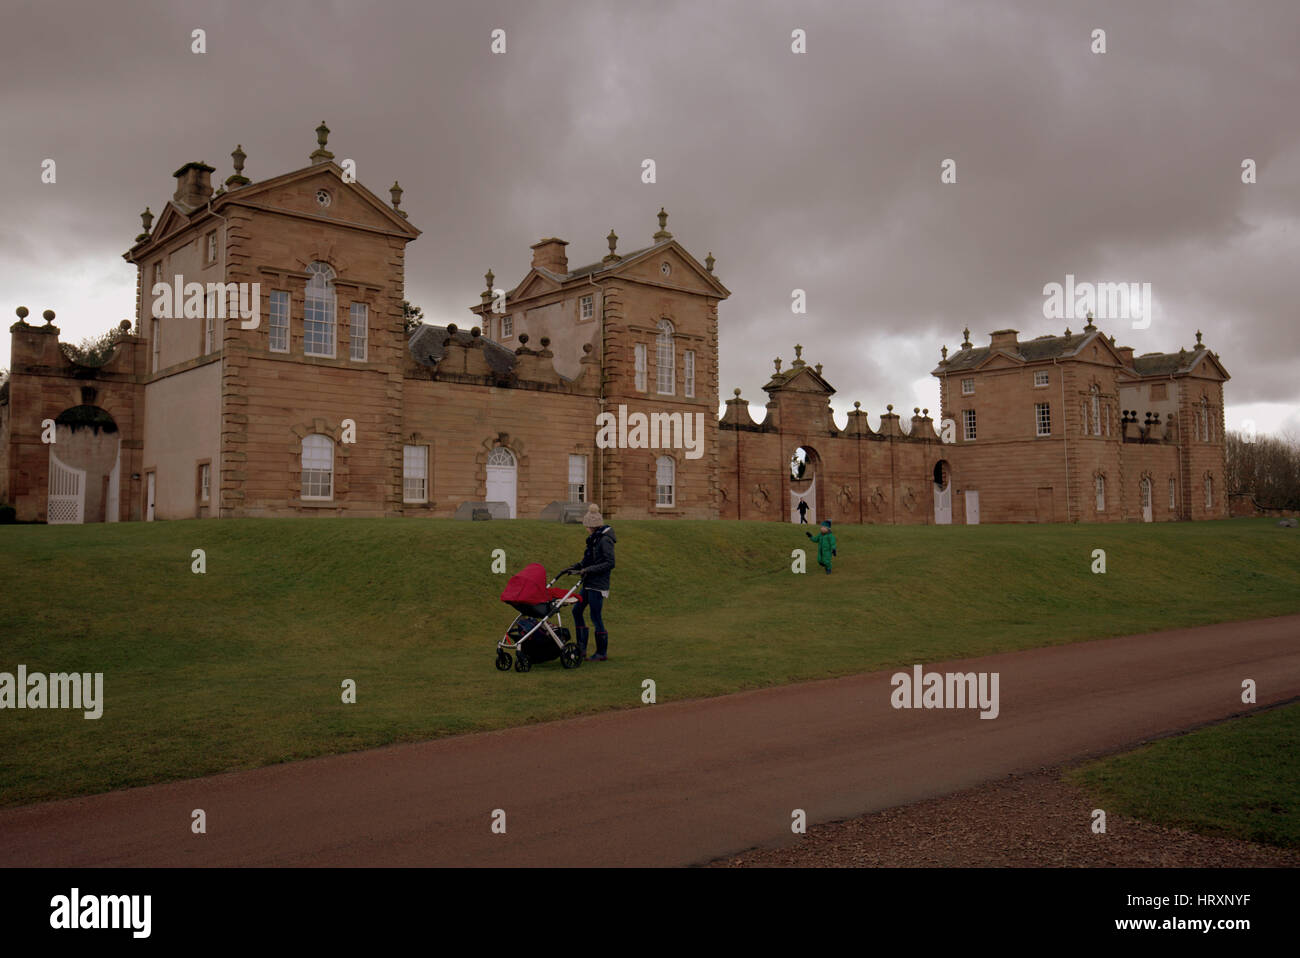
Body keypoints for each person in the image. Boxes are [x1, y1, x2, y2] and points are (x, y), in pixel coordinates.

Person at [563, 503, 616, 661]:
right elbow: (588, 560)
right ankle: (582, 647)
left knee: (595, 616)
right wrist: (576, 567)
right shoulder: (594, 539)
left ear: (591, 525)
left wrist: (588, 570)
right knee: (576, 611)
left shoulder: (605, 540)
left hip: (598, 584)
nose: (585, 528)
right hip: (589, 582)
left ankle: (601, 652)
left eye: (586, 525)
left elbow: (609, 563)